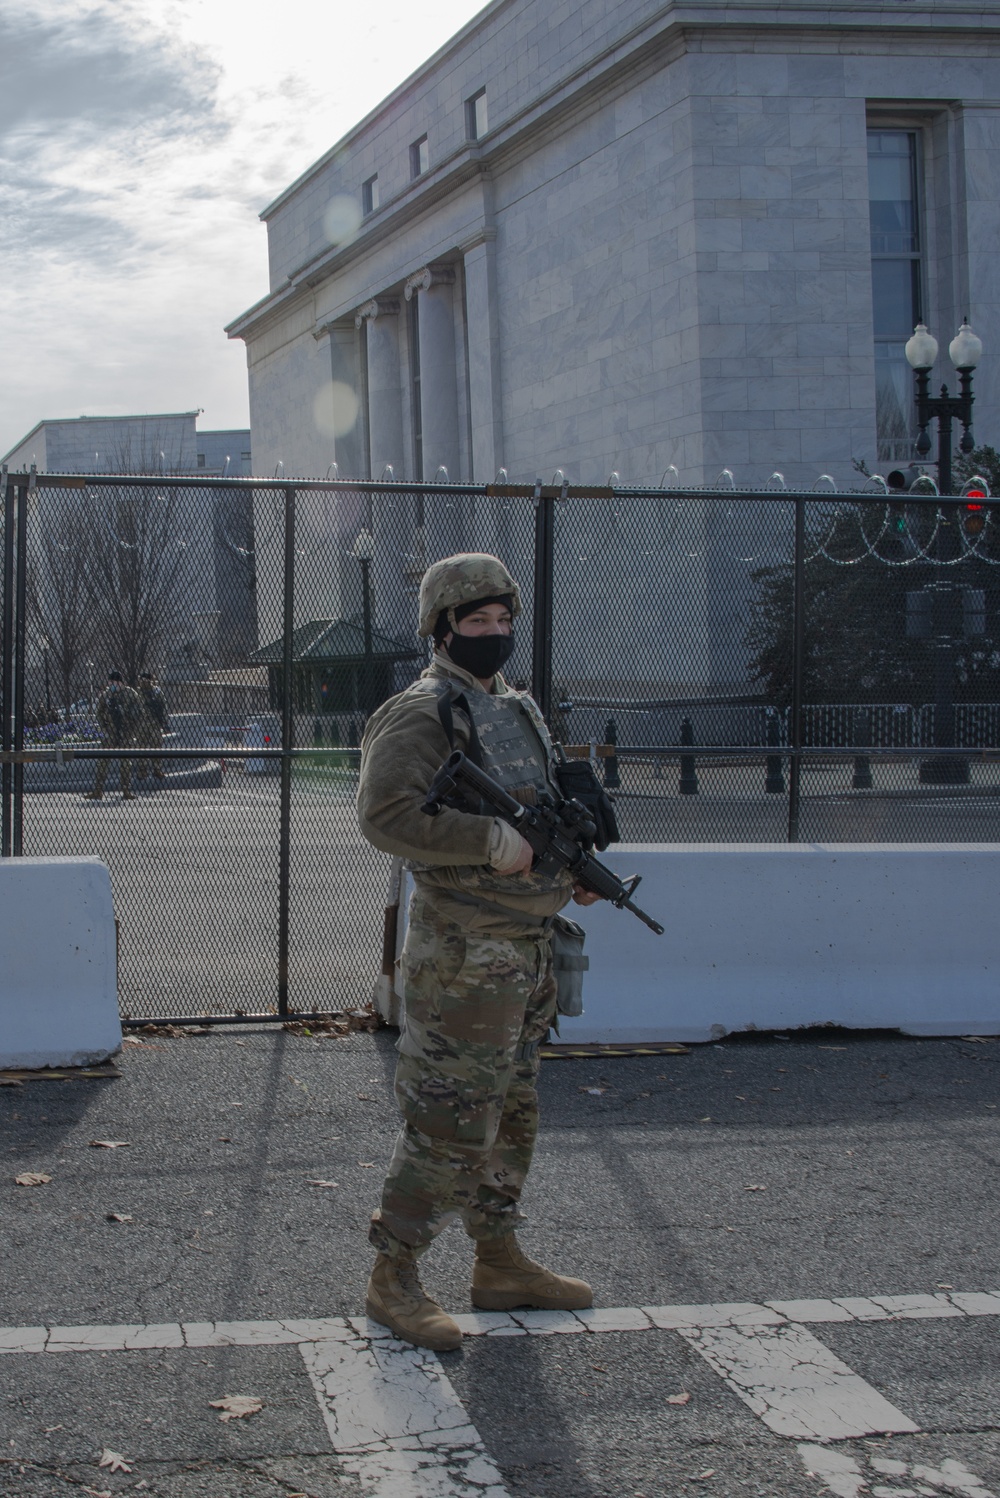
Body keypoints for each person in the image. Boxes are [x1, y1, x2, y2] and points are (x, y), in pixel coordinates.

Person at [356, 552, 600, 1352]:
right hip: (466, 951)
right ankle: (393, 1277)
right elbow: (386, 815)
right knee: (449, 1119)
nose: (494, 634)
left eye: (503, 621)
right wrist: (492, 839)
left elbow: (543, 811)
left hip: (527, 948)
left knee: (513, 1111)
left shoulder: (516, 708)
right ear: (442, 627)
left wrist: (574, 869)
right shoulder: (421, 712)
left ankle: (498, 1260)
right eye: (477, 621)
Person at [82, 671, 143, 801]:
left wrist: (132, 729)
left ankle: (126, 790)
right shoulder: (106, 695)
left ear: (119, 682)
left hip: (126, 733)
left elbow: (139, 713)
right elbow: (99, 712)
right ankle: (98, 790)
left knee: (126, 763)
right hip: (110, 732)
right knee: (103, 762)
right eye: (110, 683)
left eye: (113, 682)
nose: (110, 685)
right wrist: (104, 727)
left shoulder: (130, 694)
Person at [135, 671, 170, 783]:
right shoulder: (138, 693)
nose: (144, 682)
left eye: (146, 680)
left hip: (155, 723)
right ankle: (142, 769)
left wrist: (164, 721)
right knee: (142, 746)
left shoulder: (156, 692)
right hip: (141, 724)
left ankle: (157, 768)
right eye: (142, 680)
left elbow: (164, 707)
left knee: (156, 745)